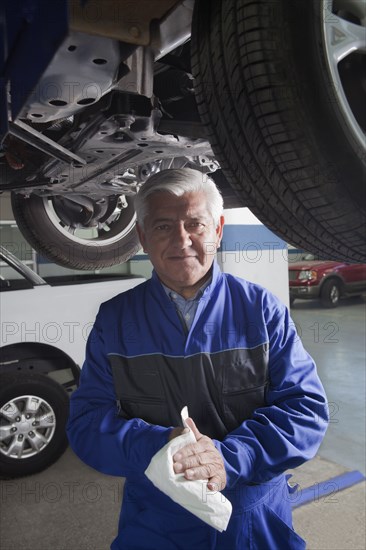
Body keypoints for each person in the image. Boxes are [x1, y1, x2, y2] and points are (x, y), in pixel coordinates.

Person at [67, 168, 328, 549]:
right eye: (162, 227)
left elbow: (306, 409)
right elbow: (87, 424)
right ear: (141, 237)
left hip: (252, 520)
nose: (182, 239)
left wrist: (231, 457)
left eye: (196, 224)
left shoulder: (261, 310)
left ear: (218, 229)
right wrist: (159, 447)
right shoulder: (115, 321)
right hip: (157, 522)